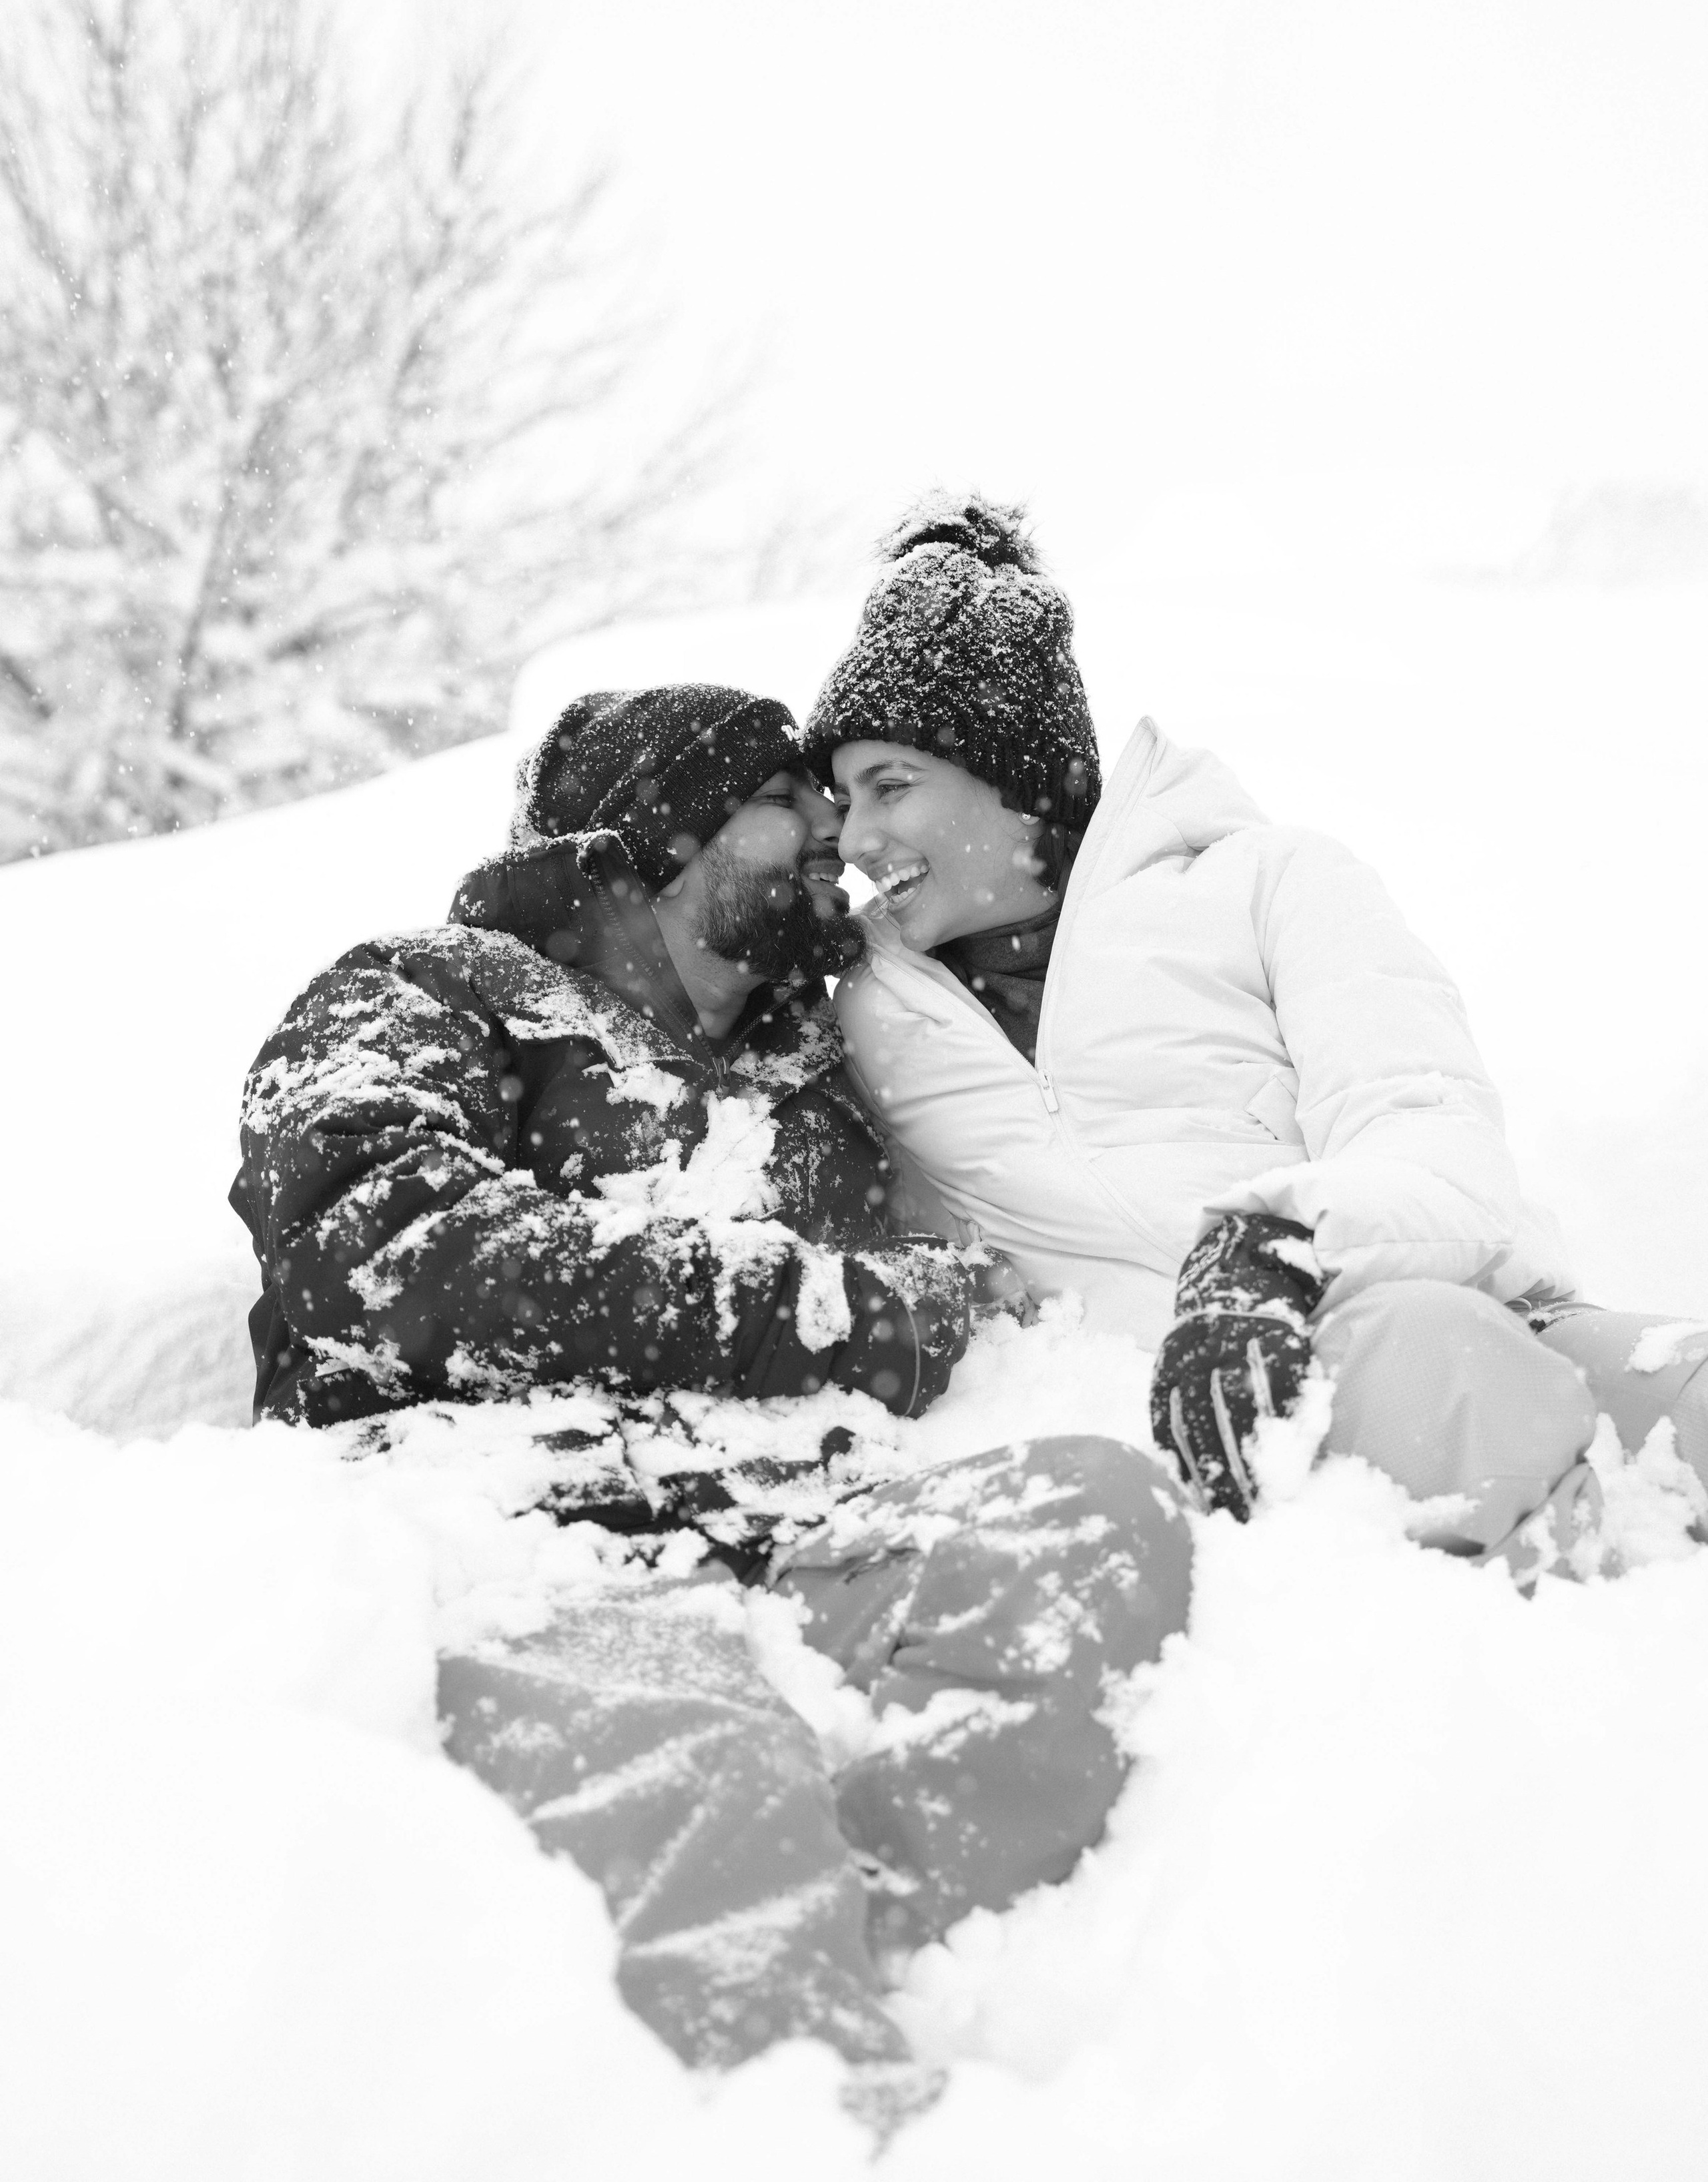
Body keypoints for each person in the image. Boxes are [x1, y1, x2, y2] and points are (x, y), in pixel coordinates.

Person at [232, 682, 1193, 2078]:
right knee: (705, 1759)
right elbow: (386, 1255)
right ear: (655, 829)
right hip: (518, 1538)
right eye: (780, 799)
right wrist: (826, 1309)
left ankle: (881, 1928)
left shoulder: (813, 1078)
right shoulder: (423, 992)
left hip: (792, 1531)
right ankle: (793, 2098)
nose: (827, 828)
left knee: (1091, 1523)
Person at [803, 498, 1708, 1576]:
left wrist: (1270, 1249)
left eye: (890, 788)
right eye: (842, 801)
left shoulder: (1270, 883)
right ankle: (1572, 1680)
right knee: (1448, 1369)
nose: (857, 840)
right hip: (1253, 1405)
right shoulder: (855, 1003)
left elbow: (1435, 1135)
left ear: (1016, 776)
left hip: (1479, 1310)